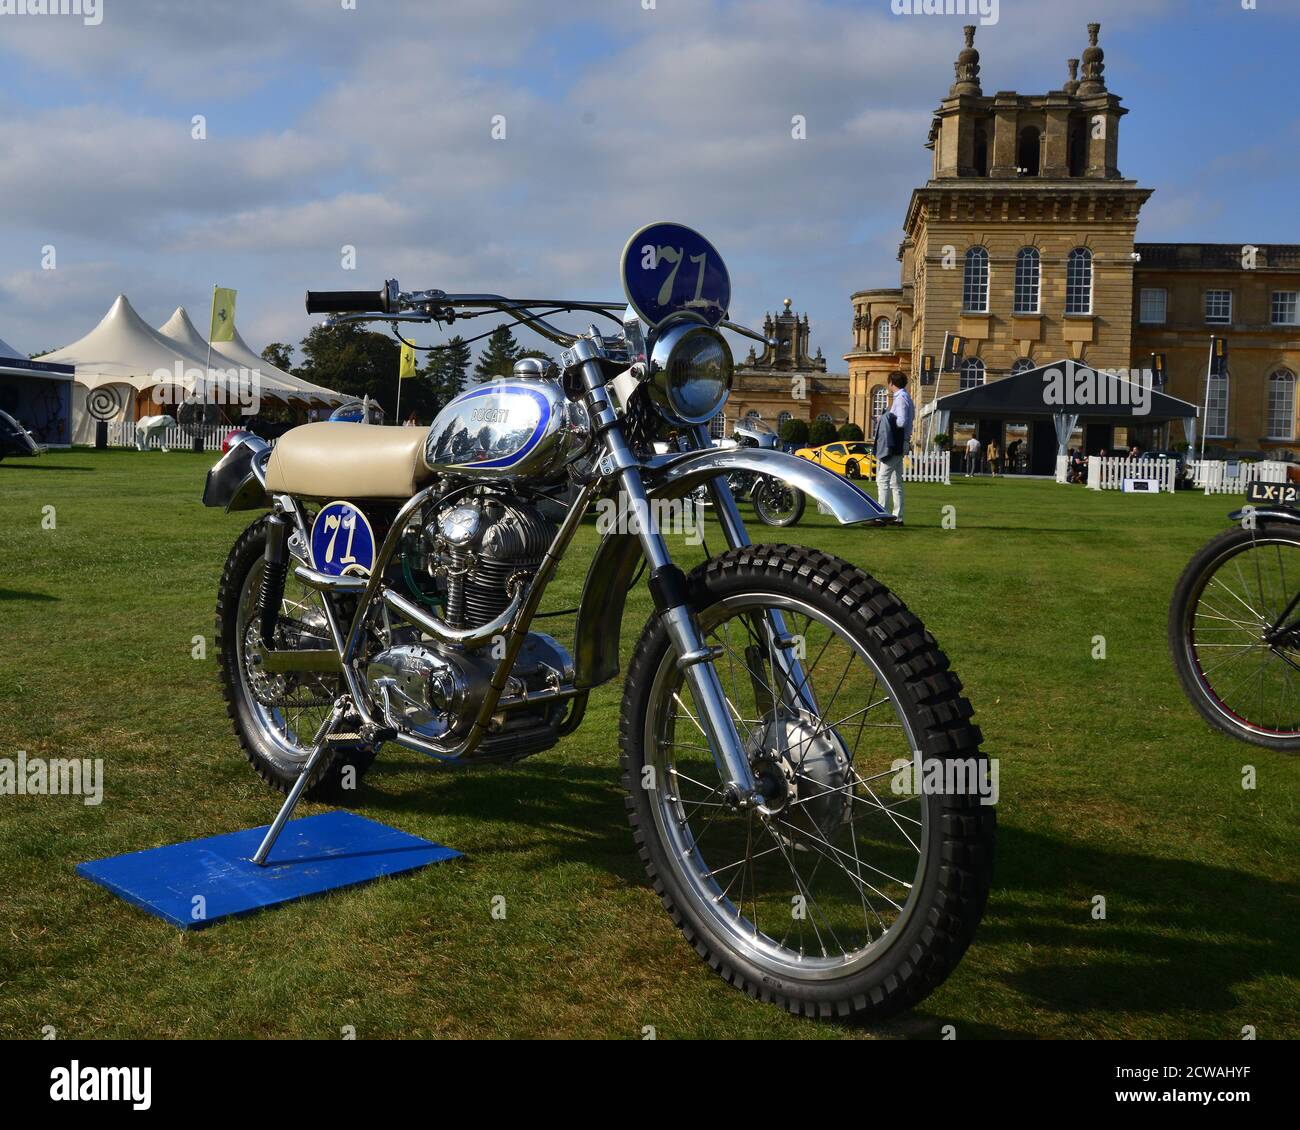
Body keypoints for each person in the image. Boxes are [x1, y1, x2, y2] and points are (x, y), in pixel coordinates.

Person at [873, 372, 913, 524]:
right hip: (902, 442)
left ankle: (880, 515)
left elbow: (901, 422)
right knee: (896, 483)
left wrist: (886, 418)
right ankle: (898, 517)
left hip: (895, 444)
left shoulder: (901, 399)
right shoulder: (906, 397)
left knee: (882, 479)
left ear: (891, 383)